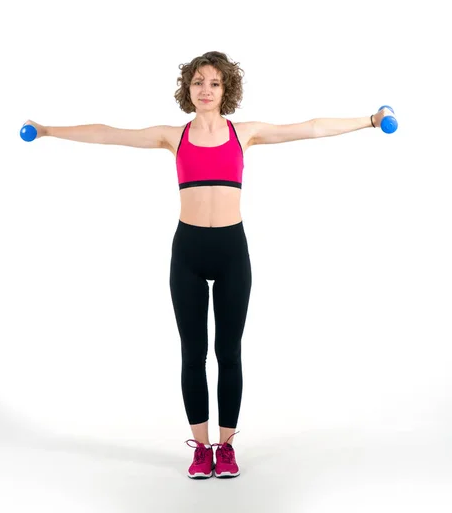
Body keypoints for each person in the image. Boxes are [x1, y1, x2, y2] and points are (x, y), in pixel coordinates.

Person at [22, 50, 386, 480]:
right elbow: (108, 134)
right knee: (193, 354)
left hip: (232, 251)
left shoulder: (245, 133)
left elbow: (310, 128)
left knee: (228, 352)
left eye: (214, 83)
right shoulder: (173, 137)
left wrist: (369, 119)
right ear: (188, 89)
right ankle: (200, 448)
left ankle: (226, 448)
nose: (206, 90)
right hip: (188, 253)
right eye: (198, 82)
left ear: (226, 88)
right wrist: (47, 130)